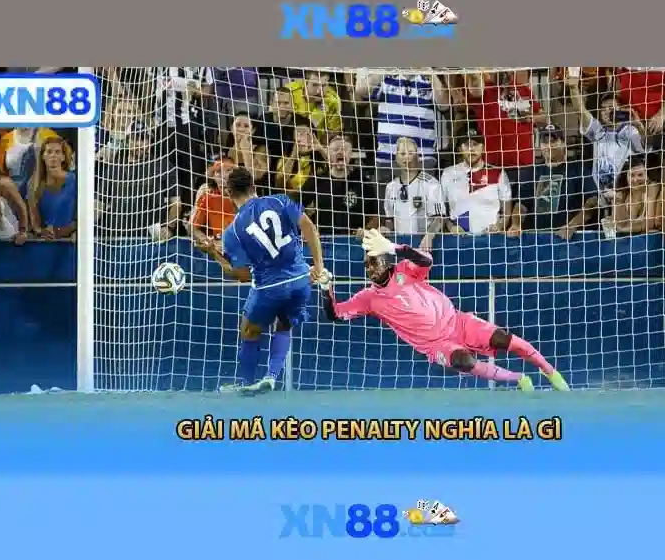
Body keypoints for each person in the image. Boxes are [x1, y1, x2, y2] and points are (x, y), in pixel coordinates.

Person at [319, 229, 570, 391]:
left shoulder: (405, 269)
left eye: (375, 261)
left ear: (387, 260)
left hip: (458, 322)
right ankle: (518, 379)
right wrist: (326, 288)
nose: (370, 268)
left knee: (504, 339)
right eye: (367, 265)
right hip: (436, 345)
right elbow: (335, 314)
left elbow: (427, 260)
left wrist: (394, 247)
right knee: (463, 361)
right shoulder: (368, 298)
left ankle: (550, 372)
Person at [195, 167, 326, 395]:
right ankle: (271, 377)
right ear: (254, 185)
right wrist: (319, 265)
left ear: (229, 193)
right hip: (301, 280)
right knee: (284, 324)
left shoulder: (234, 230)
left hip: (269, 287)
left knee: (248, 330)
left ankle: (246, 383)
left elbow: (242, 274)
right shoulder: (281, 200)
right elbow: (310, 227)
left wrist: (214, 254)